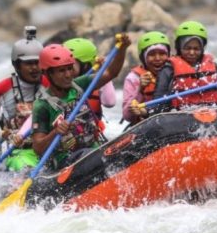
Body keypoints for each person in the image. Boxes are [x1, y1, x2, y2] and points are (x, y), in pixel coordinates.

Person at [32, 34, 131, 170]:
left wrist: (122, 49)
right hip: (66, 161)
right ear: (48, 74)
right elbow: (37, 147)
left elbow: (110, 73)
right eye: (61, 71)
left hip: (93, 148)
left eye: (69, 68)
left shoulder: (79, 85)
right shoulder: (42, 105)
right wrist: (55, 132)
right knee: (93, 156)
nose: (68, 75)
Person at [133, 21, 217, 117]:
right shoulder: (168, 70)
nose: (192, 52)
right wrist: (145, 111)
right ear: (179, 47)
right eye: (187, 48)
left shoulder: (213, 67)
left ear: (202, 49)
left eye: (196, 49)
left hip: (214, 115)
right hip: (181, 120)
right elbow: (159, 104)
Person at [0, 26, 48, 171]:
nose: (34, 68)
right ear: (16, 65)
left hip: (47, 147)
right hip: (19, 152)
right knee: (24, 168)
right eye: (28, 63)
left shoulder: (49, 84)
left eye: (37, 62)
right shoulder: (2, 88)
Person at [63, 37, 116, 133]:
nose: (65, 70)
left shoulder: (95, 83)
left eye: (70, 66)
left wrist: (103, 71)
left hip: (90, 137)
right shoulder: (57, 85)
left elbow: (110, 102)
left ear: (86, 66)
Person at [122, 31, 171, 125]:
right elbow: (127, 116)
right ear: (143, 58)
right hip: (144, 126)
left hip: (171, 123)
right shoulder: (133, 78)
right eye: (151, 54)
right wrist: (140, 89)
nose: (157, 58)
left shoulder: (175, 73)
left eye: (162, 53)